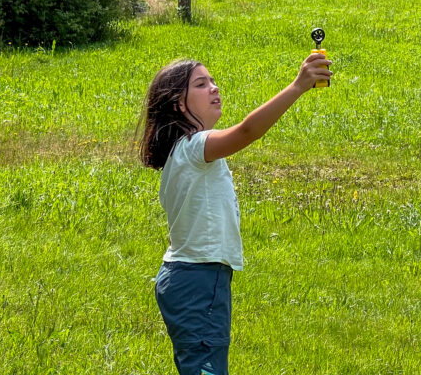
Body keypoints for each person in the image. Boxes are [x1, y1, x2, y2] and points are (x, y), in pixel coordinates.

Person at [137, 53, 333, 375]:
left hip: (190, 278)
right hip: (198, 278)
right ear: (179, 105)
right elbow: (246, 132)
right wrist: (298, 86)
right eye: (201, 84)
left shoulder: (183, 152)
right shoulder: (194, 146)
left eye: (213, 80)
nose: (214, 88)